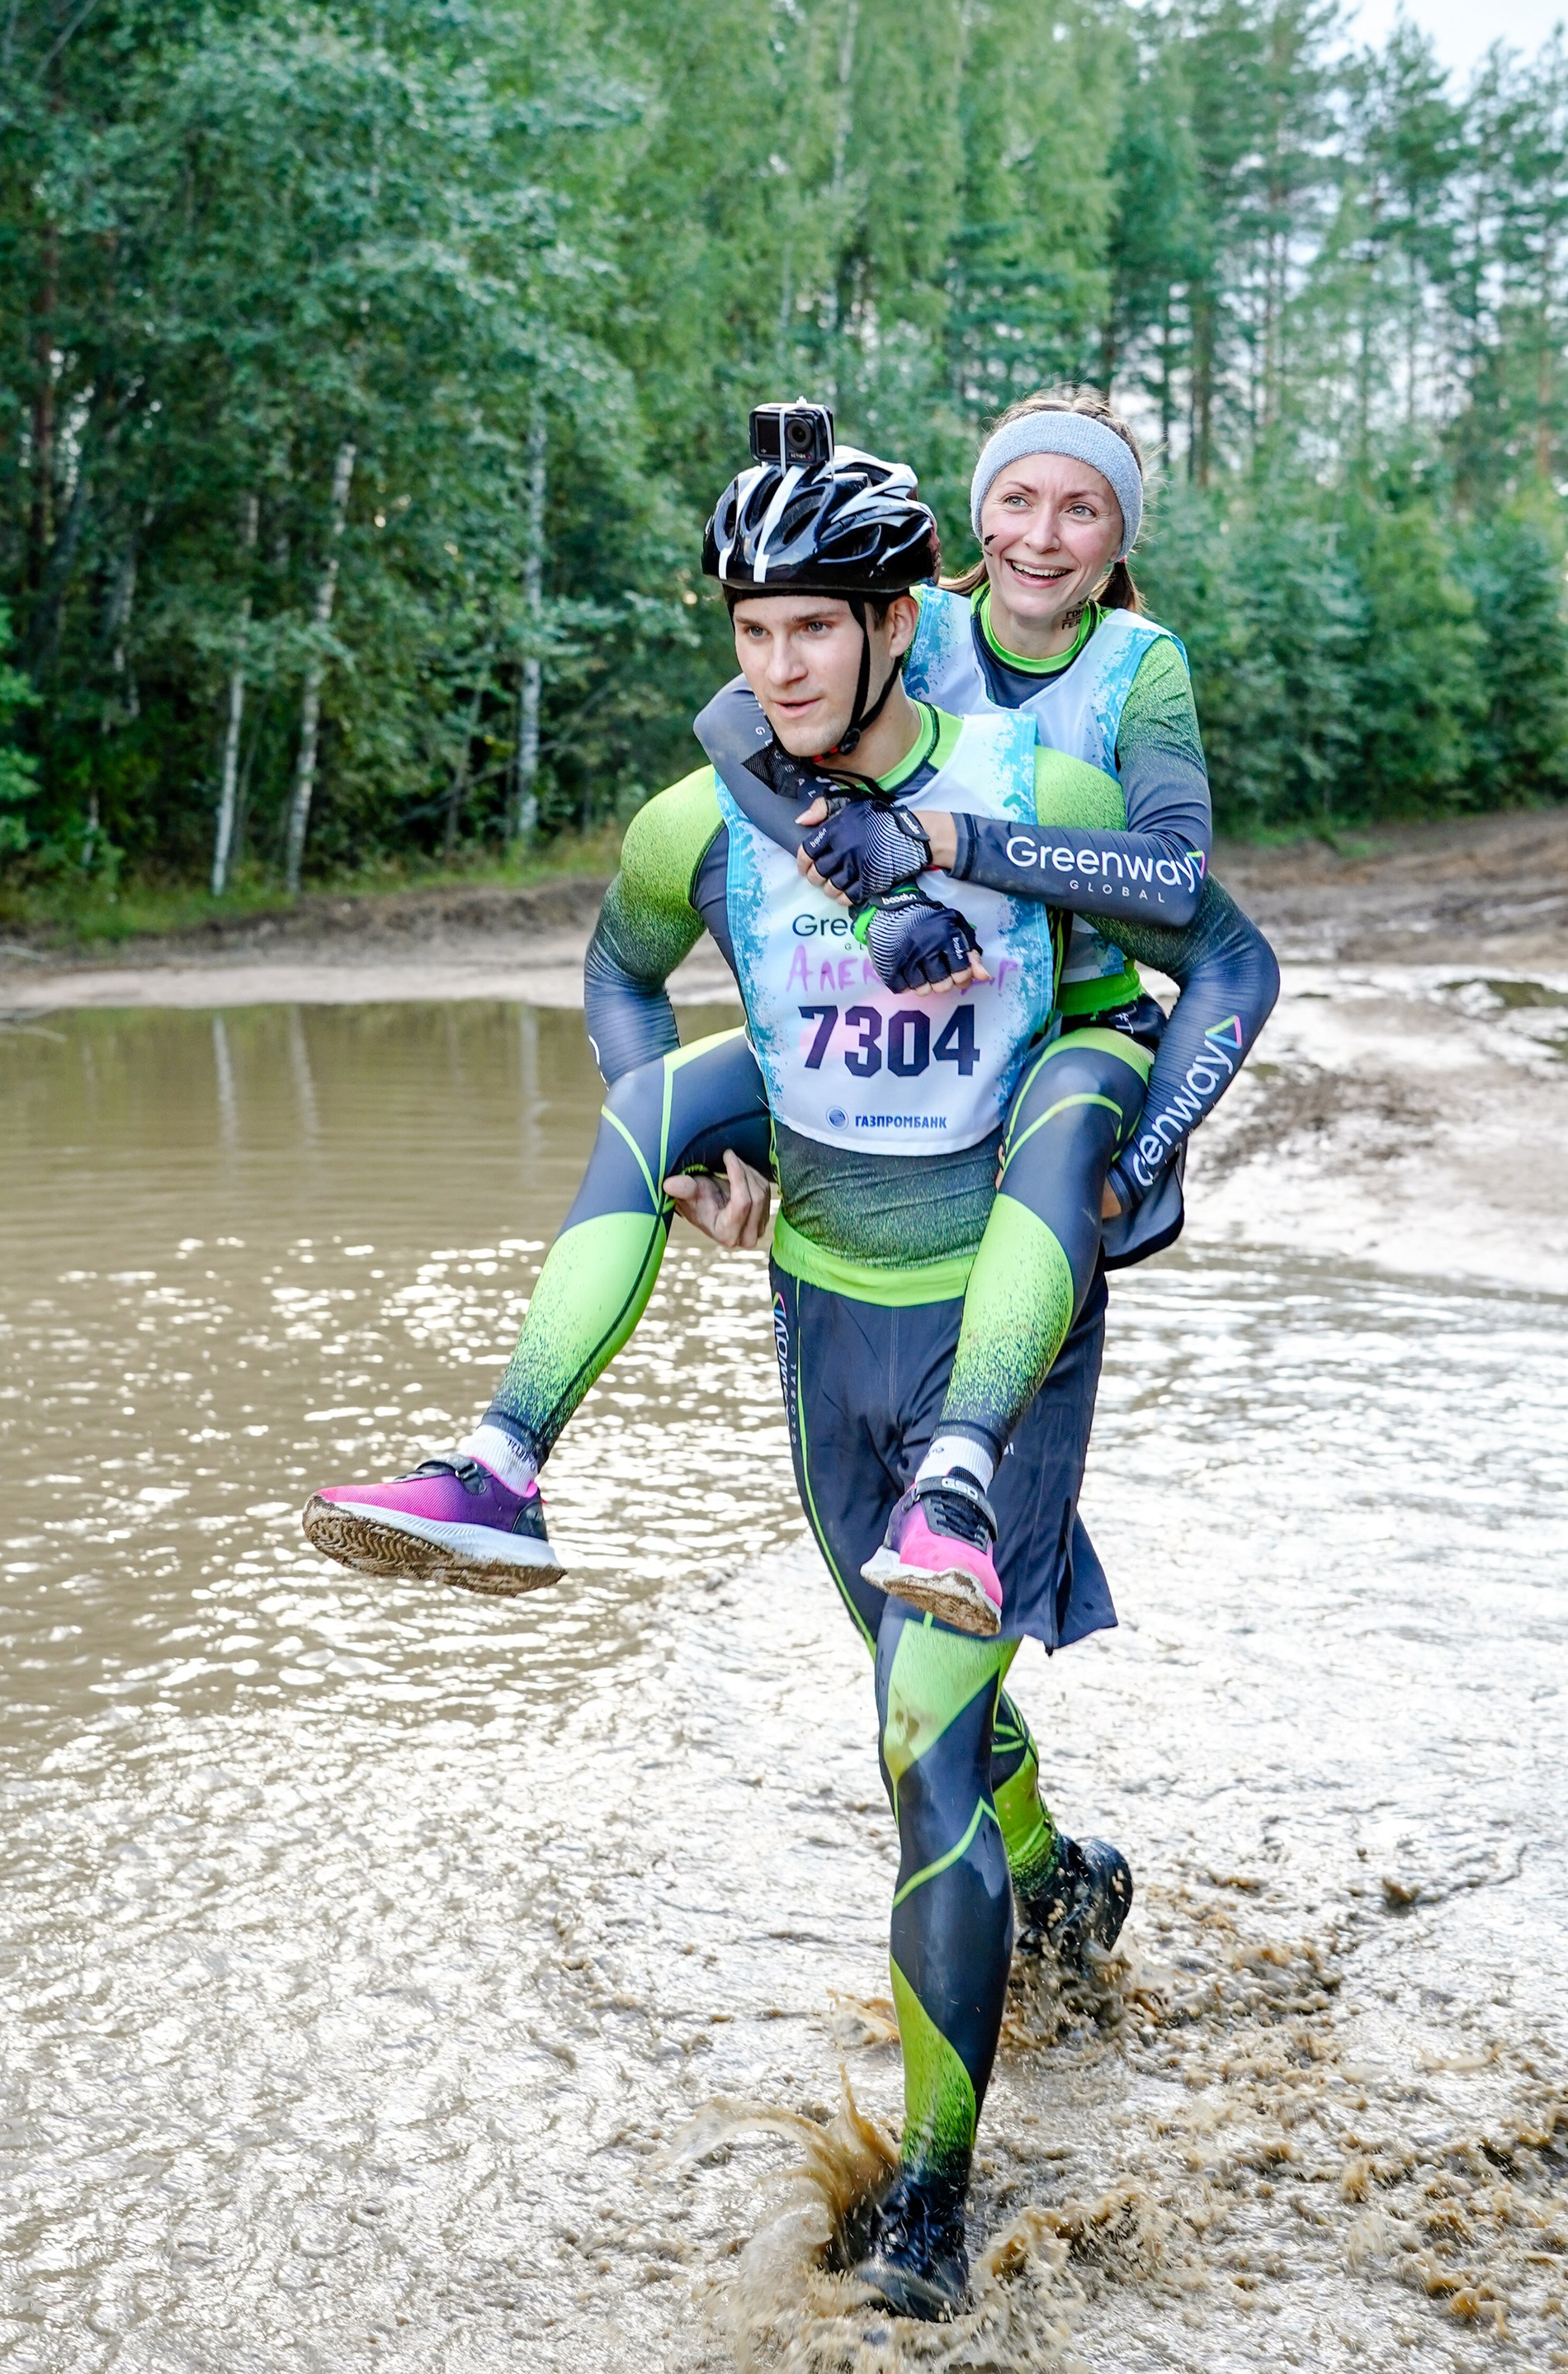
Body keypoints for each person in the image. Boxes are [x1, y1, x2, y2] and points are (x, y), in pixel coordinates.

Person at [306, 415, 1281, 2318]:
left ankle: (927, 2196)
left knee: (916, 1739)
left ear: (899, 624)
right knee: (917, 1696)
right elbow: (615, 970)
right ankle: (502, 1466)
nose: (777, 668)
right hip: (824, 1311)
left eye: (813, 629)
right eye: (750, 633)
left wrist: (1143, 1158)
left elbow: (1220, 956)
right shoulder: (700, 821)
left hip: (1004, 1316)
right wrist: (691, 1152)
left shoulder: (1037, 778)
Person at [305, 390, 1272, 1604]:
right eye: (1018, 500)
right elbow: (735, 721)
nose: (1041, 535)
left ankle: (959, 1483)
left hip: (1066, 1024)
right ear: (978, 516)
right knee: (652, 1104)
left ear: (1119, 537)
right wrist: (871, 891)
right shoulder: (919, 618)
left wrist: (938, 843)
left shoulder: (1140, 666)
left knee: (1069, 1096)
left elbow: (1176, 880)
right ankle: (498, 1469)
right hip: (893, 1022)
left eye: (1082, 510)